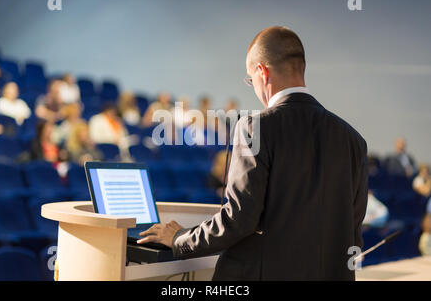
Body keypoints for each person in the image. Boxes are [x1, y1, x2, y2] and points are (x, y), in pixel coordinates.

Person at [138, 26, 368, 280]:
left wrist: (180, 238)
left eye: (250, 79)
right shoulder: (352, 139)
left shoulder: (255, 127)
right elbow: (351, 227)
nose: (253, 87)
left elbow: (239, 219)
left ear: (262, 72)